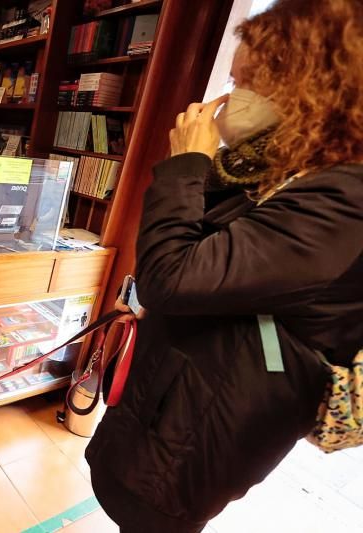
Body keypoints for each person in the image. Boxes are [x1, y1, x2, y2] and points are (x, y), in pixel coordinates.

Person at [85, 1, 363, 532]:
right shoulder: (275, 170)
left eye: (244, 85)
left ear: (310, 87)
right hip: (170, 399)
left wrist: (189, 162)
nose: (227, 100)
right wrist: (214, 162)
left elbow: (170, 277)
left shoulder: (345, 197)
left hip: (202, 429)